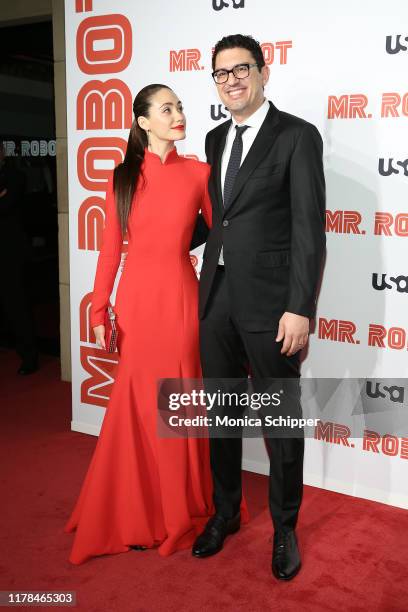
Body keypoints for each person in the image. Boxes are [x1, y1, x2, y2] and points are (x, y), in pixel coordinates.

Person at [192, 35, 326, 581]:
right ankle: (225, 513)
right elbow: (220, 219)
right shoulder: (214, 136)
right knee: (221, 413)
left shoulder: (296, 135)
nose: (232, 80)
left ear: (264, 72)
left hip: (273, 305)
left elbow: (308, 229)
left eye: (241, 69)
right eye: (221, 73)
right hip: (216, 298)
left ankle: (285, 527)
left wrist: (300, 307)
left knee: (279, 418)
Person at [64, 84, 215, 564]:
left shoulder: (200, 173)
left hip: (179, 300)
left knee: (176, 401)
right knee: (136, 404)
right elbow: (111, 248)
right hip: (136, 303)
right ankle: (134, 505)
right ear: (143, 121)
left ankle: (178, 514)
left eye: (180, 106)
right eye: (167, 108)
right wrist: (98, 306)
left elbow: (224, 235)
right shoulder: (122, 176)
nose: (178, 114)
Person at [0, 142, 38, 374]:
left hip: (10, 253)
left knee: (16, 305)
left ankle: (29, 356)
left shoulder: (15, 176)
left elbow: (6, 205)